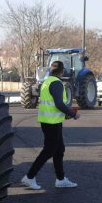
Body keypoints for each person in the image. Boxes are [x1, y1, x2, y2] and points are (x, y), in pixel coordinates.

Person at [21, 61, 80, 190]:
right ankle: (29, 177)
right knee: (49, 151)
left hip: (49, 120)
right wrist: (73, 114)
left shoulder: (46, 82)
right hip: (51, 122)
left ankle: (61, 179)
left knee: (59, 150)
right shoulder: (57, 83)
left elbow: (53, 104)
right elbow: (59, 104)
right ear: (62, 71)